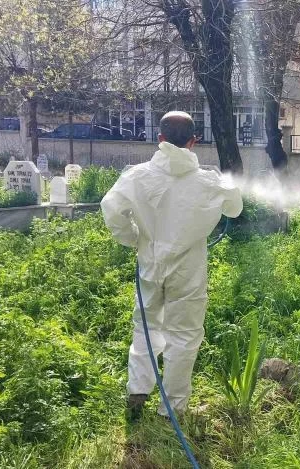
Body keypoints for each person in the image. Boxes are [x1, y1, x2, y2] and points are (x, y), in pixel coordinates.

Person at [101, 111, 243, 420]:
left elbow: (111, 208)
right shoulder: (208, 180)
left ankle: (138, 391)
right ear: (194, 141)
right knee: (184, 337)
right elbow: (235, 207)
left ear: (160, 139)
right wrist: (224, 186)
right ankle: (172, 409)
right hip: (188, 272)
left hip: (150, 265)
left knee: (146, 327)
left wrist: (132, 237)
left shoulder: (137, 176)